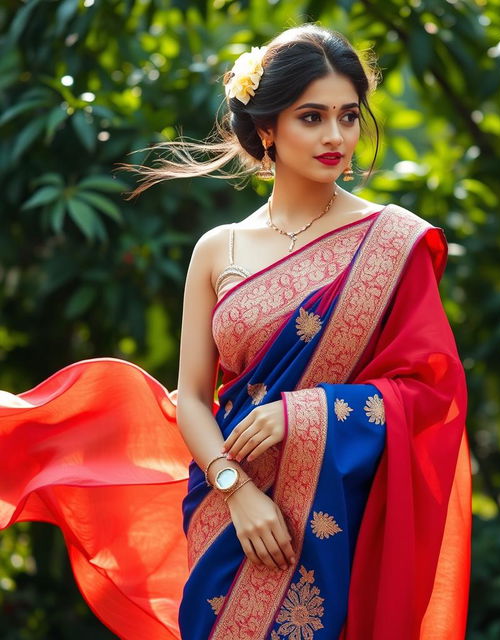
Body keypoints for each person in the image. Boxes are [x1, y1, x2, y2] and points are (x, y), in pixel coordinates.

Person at [0, 23, 471, 640]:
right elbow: (192, 397)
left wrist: (304, 414)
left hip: (338, 520)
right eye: (312, 117)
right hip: (229, 519)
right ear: (267, 128)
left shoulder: (391, 245)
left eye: (349, 116)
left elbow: (431, 391)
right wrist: (235, 489)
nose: (336, 136)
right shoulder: (218, 250)